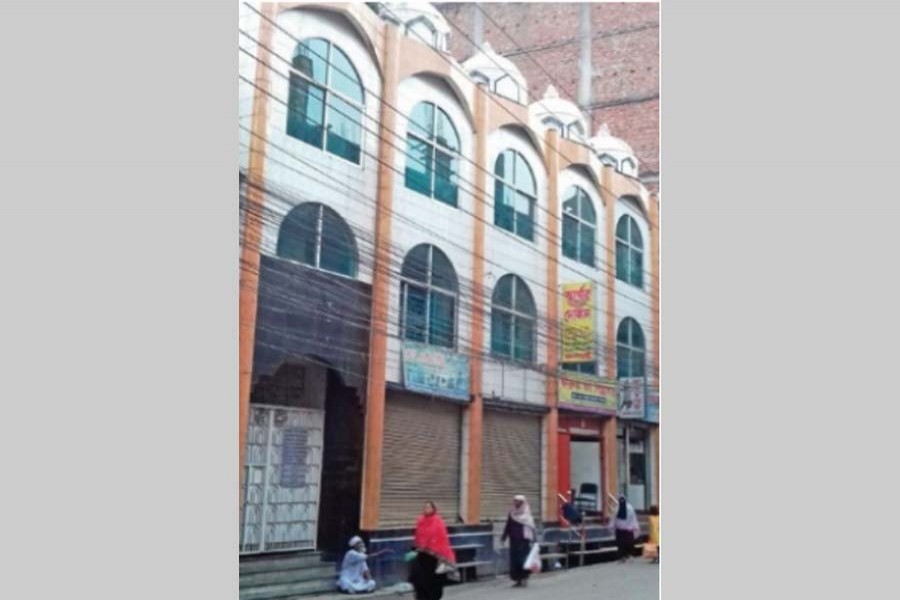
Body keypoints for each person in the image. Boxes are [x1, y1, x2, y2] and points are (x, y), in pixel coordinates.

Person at [409, 501, 456, 600]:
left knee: (433, 583)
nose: (426, 509)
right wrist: (416, 547)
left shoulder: (438, 521)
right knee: (419, 580)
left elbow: (442, 539)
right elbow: (418, 536)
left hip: (434, 557)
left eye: (429, 507)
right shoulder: (421, 521)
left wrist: (435, 550)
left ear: (433, 509)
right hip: (422, 556)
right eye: (425, 507)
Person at [501, 495, 536, 588]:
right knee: (515, 561)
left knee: (523, 560)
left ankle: (525, 578)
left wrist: (534, 539)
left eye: (518, 501)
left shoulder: (526, 514)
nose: (516, 503)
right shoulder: (512, 513)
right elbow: (508, 525)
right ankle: (518, 580)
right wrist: (504, 537)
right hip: (514, 540)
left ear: (522, 502)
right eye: (515, 501)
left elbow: (531, 527)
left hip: (523, 540)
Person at [614, 496, 640, 562]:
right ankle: (629, 555)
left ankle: (622, 557)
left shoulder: (617, 508)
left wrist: (611, 526)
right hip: (628, 530)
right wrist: (635, 527)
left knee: (621, 544)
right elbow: (633, 518)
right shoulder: (630, 508)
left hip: (620, 530)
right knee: (629, 543)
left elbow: (613, 518)